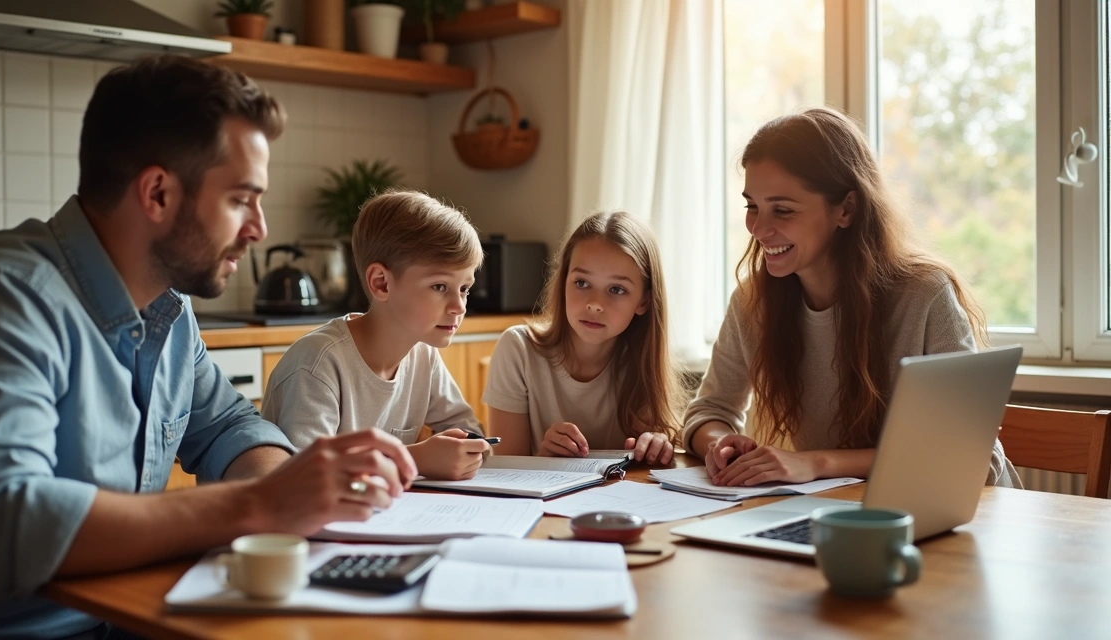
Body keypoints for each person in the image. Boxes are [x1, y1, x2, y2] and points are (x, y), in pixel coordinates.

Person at [0, 55, 416, 640]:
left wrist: (288, 493)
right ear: (159, 193)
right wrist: (260, 506)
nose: (259, 228)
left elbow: (225, 428)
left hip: (134, 617)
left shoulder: (169, 310)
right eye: (241, 199)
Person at [683, 107, 1021, 488]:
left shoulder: (925, 294)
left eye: (783, 209)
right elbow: (709, 411)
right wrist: (721, 443)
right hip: (841, 512)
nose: (759, 228)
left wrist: (816, 463)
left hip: (967, 516)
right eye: (752, 206)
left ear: (846, 208)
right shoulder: (753, 302)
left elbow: (974, 457)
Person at [261, 191, 491, 481]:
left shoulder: (423, 354)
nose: (459, 307)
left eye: (464, 289)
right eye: (440, 287)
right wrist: (413, 460)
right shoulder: (318, 364)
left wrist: (470, 448)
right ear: (381, 283)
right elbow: (303, 478)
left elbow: (470, 434)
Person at [482, 211, 686, 464]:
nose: (595, 304)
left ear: (643, 301)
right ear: (564, 281)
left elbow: (645, 469)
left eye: (616, 289)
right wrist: (543, 458)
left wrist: (656, 446)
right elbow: (506, 468)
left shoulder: (642, 359)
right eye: (581, 283)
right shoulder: (518, 350)